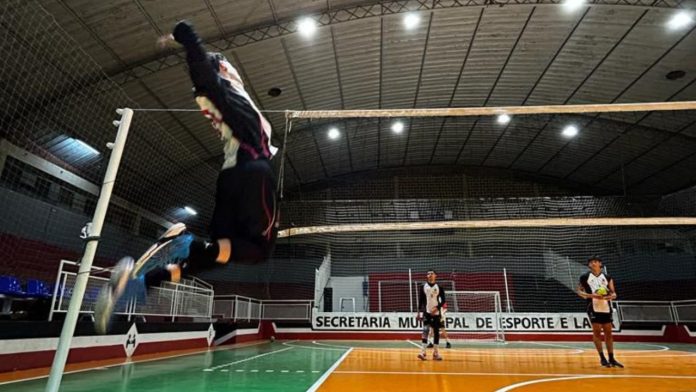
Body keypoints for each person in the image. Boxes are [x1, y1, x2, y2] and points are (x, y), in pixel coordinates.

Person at [94, 20, 278, 334]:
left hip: (234, 177)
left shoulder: (235, 97)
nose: (236, 71)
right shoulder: (225, 92)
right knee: (258, 249)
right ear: (223, 70)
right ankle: (183, 243)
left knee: (215, 256)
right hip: (252, 171)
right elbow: (203, 73)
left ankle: (143, 284)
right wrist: (188, 37)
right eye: (229, 67)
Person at [577, 256, 623, 368]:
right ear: (589, 265)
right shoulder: (584, 277)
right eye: (591, 262)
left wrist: (611, 297)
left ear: (600, 264)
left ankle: (611, 358)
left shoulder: (607, 277)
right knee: (597, 331)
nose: (593, 263)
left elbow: (614, 293)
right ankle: (602, 358)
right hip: (592, 306)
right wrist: (591, 295)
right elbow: (579, 291)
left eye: (595, 262)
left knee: (608, 333)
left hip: (606, 307)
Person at [417, 270, 446, 360]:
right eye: (428, 274)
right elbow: (421, 300)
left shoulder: (439, 287)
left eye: (431, 273)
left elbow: (444, 300)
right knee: (425, 331)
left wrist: (437, 308)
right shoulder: (423, 286)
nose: (429, 275)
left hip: (436, 314)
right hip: (427, 313)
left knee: (436, 333)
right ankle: (423, 352)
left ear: (435, 275)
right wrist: (418, 312)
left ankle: (436, 353)